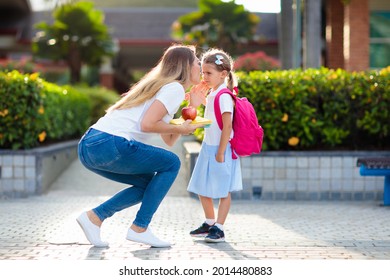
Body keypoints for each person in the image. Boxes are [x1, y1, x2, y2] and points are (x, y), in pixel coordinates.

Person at [77, 44, 204, 248]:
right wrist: (182, 129)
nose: (201, 66)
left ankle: (95, 217)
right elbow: (148, 124)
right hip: (110, 143)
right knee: (172, 163)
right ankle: (140, 228)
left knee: (148, 184)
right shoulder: (174, 88)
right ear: (186, 66)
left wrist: (193, 107)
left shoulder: (165, 87)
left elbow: (168, 139)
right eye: (198, 62)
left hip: (90, 145)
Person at [187, 48, 243, 243]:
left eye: (209, 73)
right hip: (208, 148)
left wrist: (220, 152)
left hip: (221, 149)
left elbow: (227, 126)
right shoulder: (212, 94)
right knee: (202, 187)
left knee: (222, 190)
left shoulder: (224, 96)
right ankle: (210, 222)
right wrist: (196, 99)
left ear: (223, 74)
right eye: (203, 72)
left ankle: (219, 227)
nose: (205, 76)